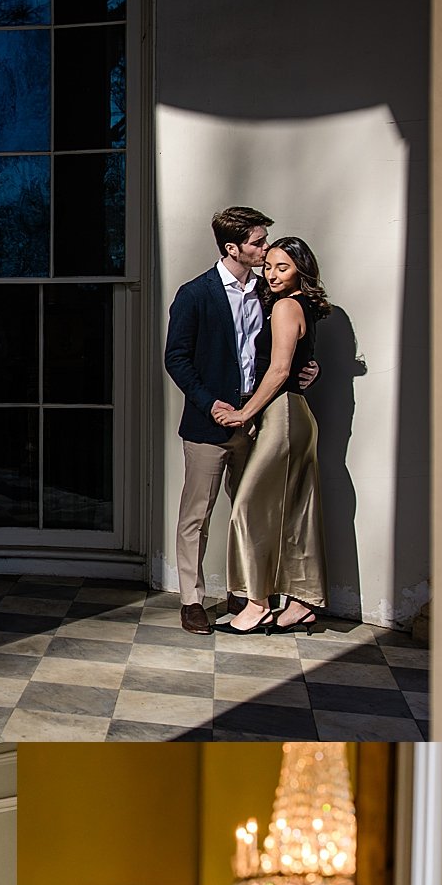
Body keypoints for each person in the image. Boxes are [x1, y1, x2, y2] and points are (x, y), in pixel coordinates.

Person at [163, 207, 317, 635]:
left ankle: (245, 592)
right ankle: (192, 600)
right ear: (233, 248)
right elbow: (175, 358)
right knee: (197, 515)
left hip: (259, 422)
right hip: (208, 425)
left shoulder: (270, 293)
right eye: (258, 243)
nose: (265, 249)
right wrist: (210, 403)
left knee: (251, 511)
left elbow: (283, 350)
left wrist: (310, 367)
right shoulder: (195, 294)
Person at [215, 235, 331, 635]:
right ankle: (300, 604)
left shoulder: (284, 306)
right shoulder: (300, 307)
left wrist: (245, 412)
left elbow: (280, 371)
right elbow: (297, 363)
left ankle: (256, 604)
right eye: (269, 267)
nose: (273, 274)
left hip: (282, 416)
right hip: (296, 415)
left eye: (283, 267)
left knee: (248, 507)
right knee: (296, 512)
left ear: (300, 268)